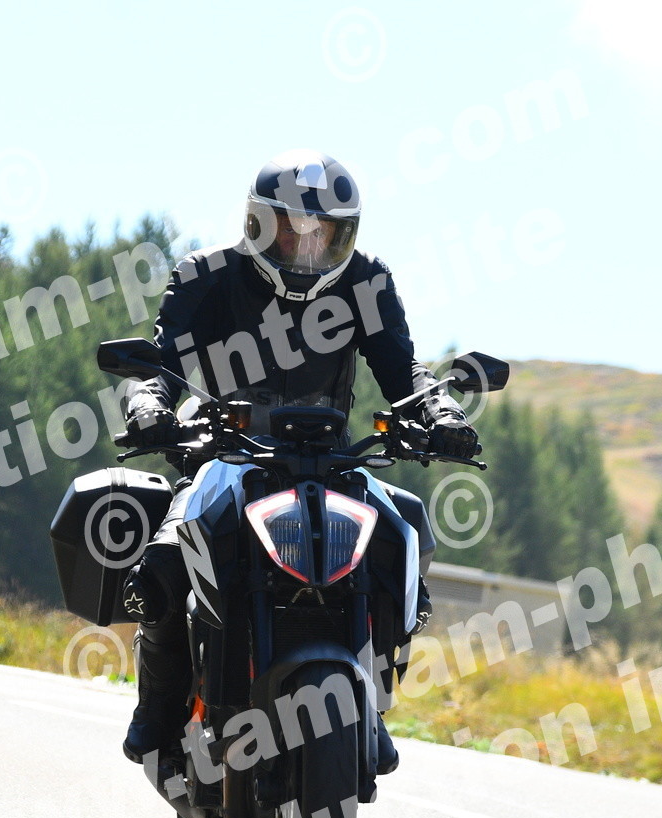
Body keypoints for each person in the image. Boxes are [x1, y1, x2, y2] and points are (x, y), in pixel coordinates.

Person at [117, 149, 481, 771]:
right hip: (228, 456)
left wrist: (441, 414)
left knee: (405, 533)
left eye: (326, 233)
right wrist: (148, 405)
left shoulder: (366, 281)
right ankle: (159, 708)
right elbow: (161, 362)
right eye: (294, 229)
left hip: (329, 460)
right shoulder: (206, 275)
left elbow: (405, 372)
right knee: (166, 562)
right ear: (259, 223)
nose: (309, 246)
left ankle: (369, 699)